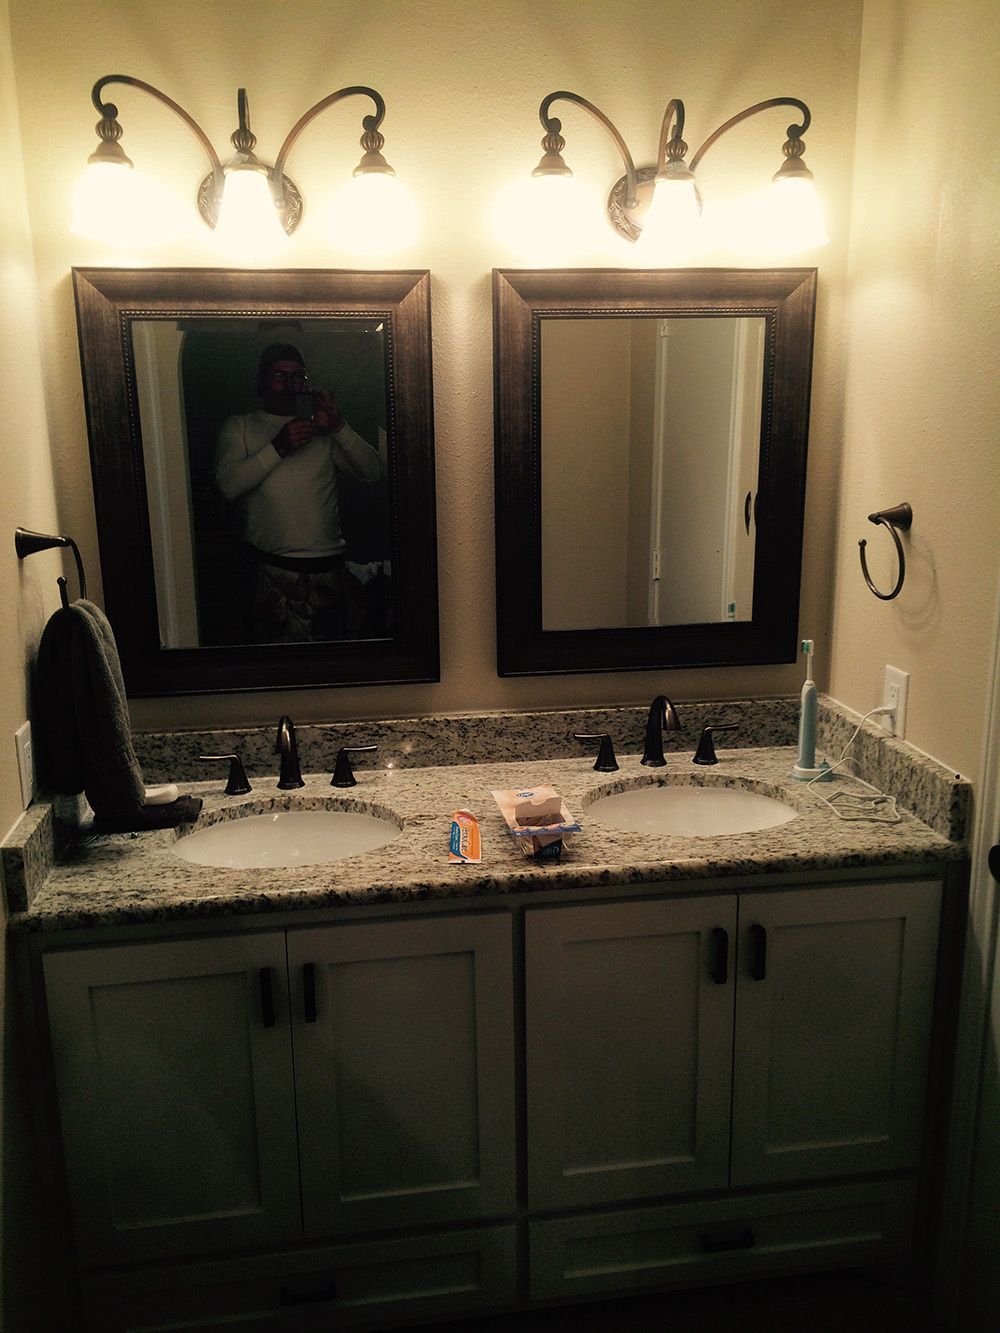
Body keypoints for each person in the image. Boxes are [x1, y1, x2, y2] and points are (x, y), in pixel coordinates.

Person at [213, 343, 385, 642]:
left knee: (333, 669)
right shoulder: (241, 426)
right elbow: (228, 487)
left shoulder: (322, 430)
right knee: (268, 669)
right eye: (279, 376)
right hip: (269, 573)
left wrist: (338, 426)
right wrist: (279, 446)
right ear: (262, 381)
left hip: (328, 570)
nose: (289, 385)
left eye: (298, 377)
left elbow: (373, 473)